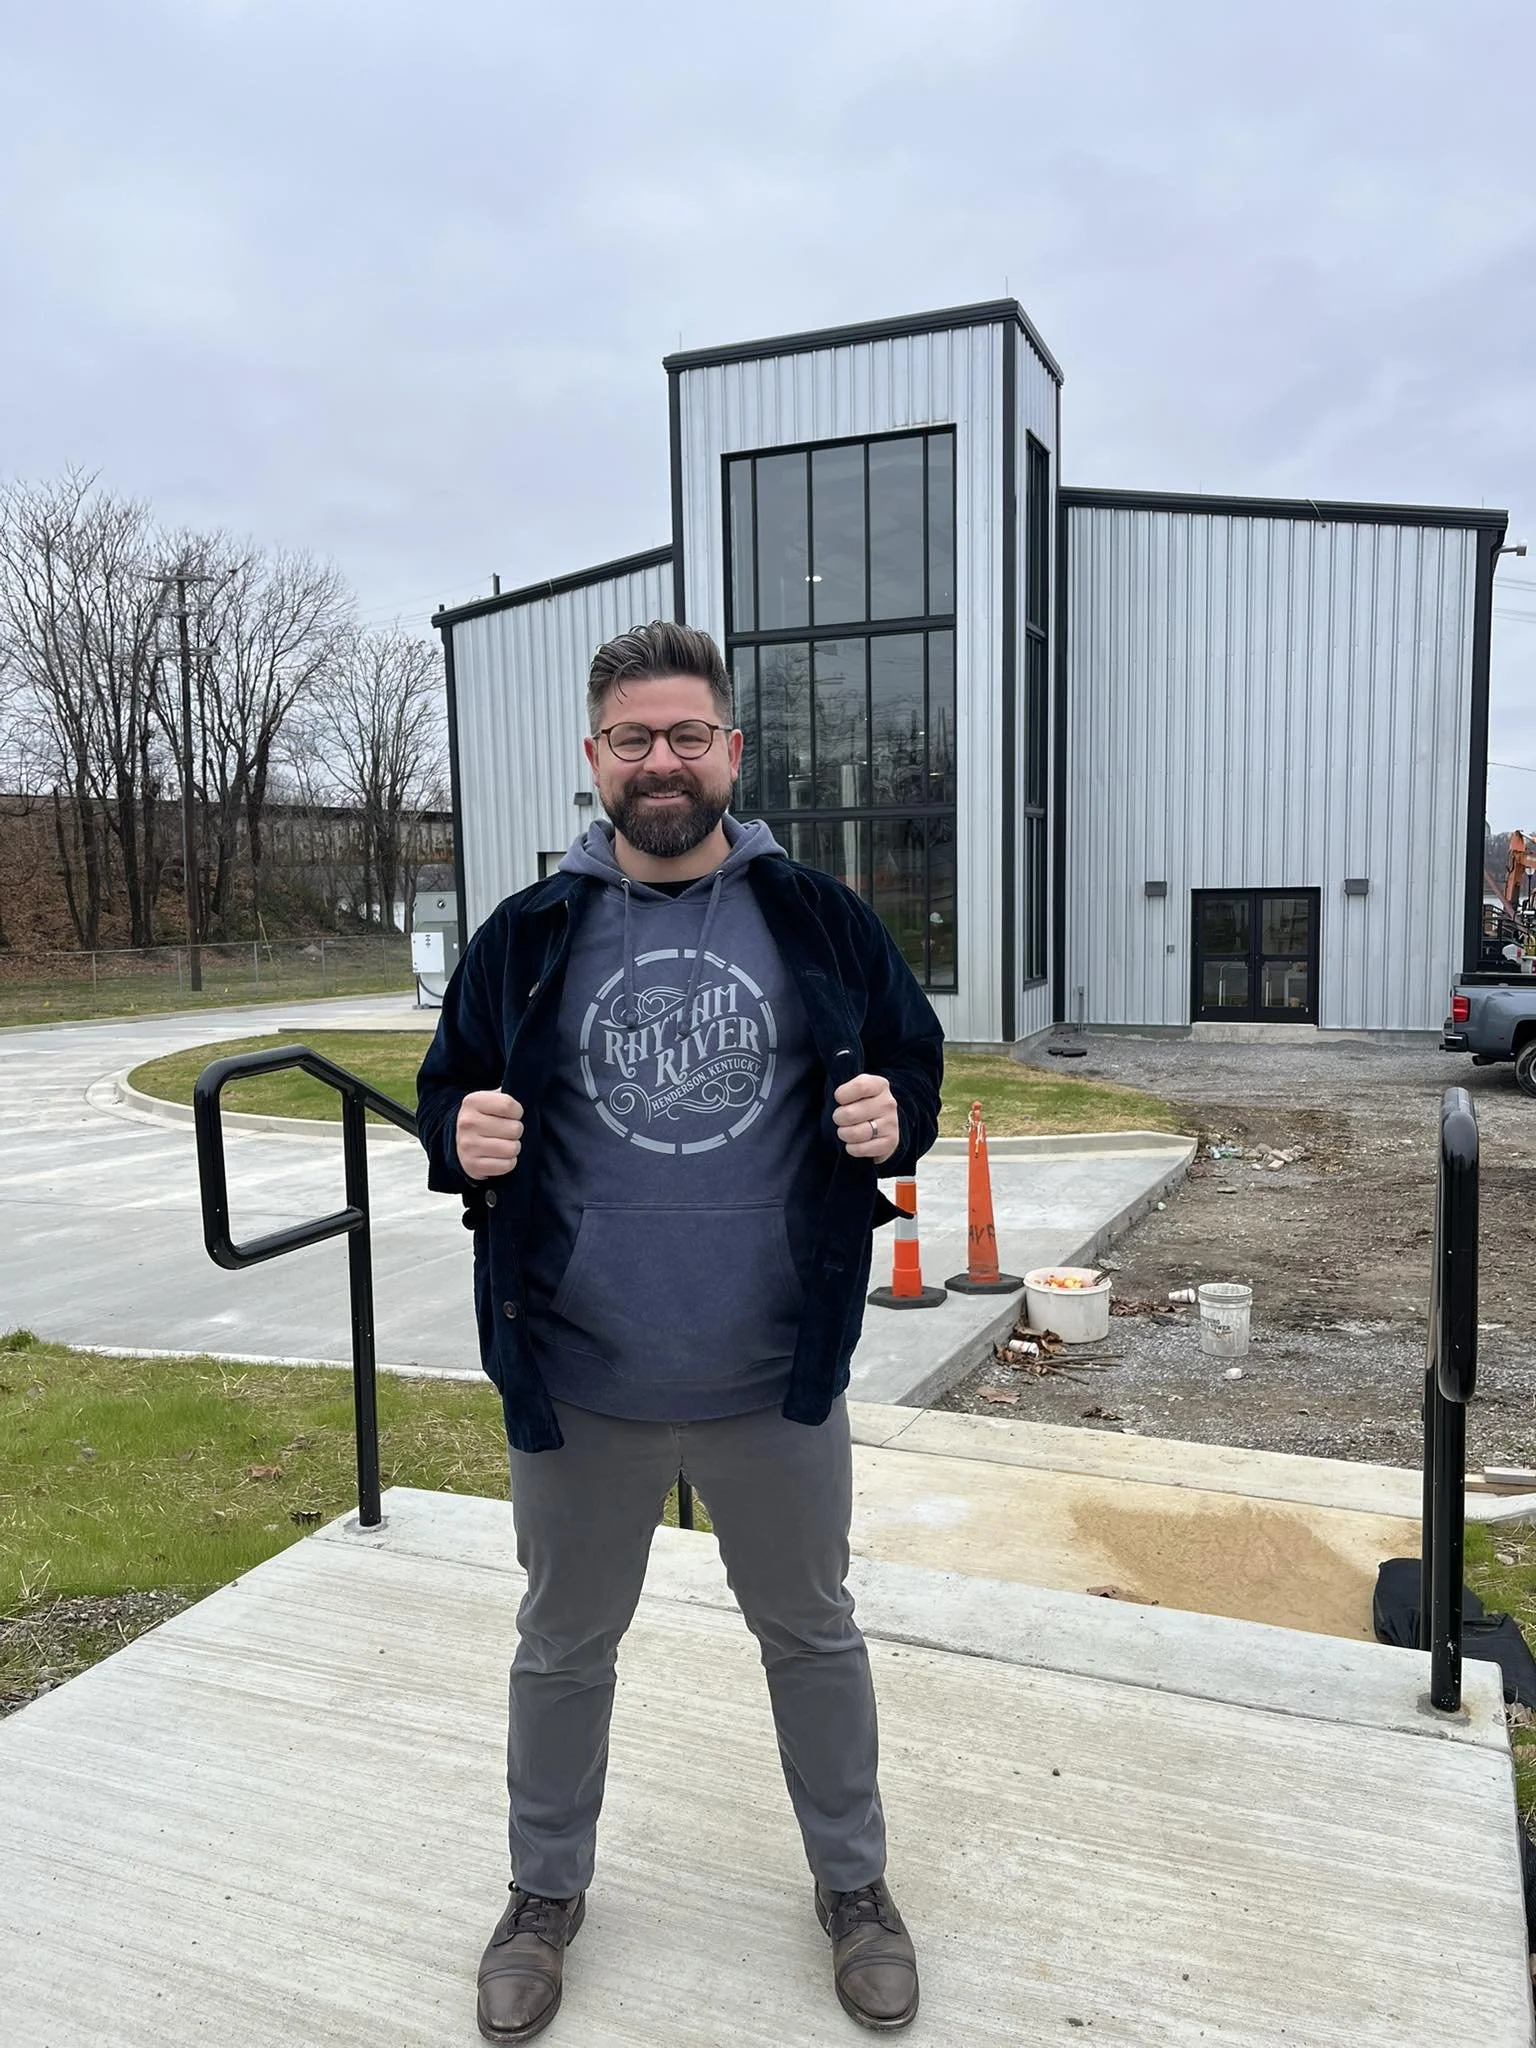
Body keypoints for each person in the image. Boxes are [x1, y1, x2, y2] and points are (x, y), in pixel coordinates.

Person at [416, 620, 944, 2042]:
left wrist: (900, 1114)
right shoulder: (527, 936)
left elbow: (911, 1058)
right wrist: (454, 1133)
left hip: (775, 1378)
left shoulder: (819, 919)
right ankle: (543, 1895)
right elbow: (446, 1091)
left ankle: (854, 1887)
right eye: (634, 738)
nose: (662, 760)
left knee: (814, 1636)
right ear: (595, 759)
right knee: (562, 1648)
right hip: (580, 1380)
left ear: (731, 752)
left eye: (687, 734)